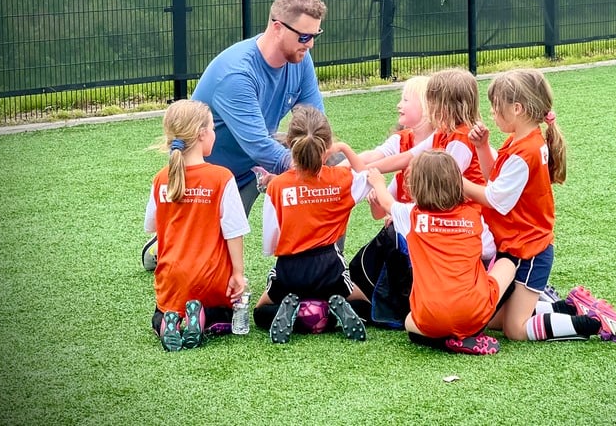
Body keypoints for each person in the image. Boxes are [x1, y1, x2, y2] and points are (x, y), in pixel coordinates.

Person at [142, 0, 327, 270]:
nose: (310, 44)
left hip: (252, 164)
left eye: (315, 36)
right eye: (304, 36)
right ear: (277, 27)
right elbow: (258, 147)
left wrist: (321, 160)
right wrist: (307, 168)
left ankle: (328, 270)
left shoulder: (301, 60)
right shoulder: (238, 73)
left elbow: (315, 122)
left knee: (332, 162)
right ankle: (164, 243)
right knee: (204, 268)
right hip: (209, 177)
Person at [462, 69, 616, 342]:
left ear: (517, 109)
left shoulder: (526, 151)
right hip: (518, 245)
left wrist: (455, 181)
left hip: (529, 250)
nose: (492, 113)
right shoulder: (523, 140)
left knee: (515, 330)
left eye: (496, 107)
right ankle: (570, 306)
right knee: (493, 320)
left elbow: (495, 199)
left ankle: (594, 322)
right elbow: (495, 180)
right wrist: (482, 147)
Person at [366, 151, 517, 355]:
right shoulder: (472, 216)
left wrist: (378, 182)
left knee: (410, 322)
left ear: (416, 186)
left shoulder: (411, 215)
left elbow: (386, 202)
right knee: (507, 261)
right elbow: (488, 251)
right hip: (473, 313)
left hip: (430, 317)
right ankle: (471, 330)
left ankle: (447, 341)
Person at [252, 105, 375, 344]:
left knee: (260, 313)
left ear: (289, 143)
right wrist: (345, 149)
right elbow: (369, 178)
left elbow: (269, 243)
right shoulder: (341, 179)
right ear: (326, 148)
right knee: (367, 307)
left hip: (290, 269)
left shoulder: (277, 186)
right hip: (329, 267)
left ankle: (298, 315)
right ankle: (328, 312)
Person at [143, 100, 250, 352]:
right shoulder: (221, 177)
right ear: (202, 134)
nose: (214, 133)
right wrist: (237, 275)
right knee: (224, 314)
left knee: (159, 314)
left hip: (172, 282)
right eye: (213, 128)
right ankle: (201, 317)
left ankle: (169, 322)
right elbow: (233, 233)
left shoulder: (161, 178)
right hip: (209, 279)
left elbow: (151, 226)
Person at [347, 76, 432, 326]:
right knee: (388, 238)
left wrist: (379, 190)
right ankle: (367, 301)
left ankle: (388, 307)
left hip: (427, 235)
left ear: (426, 106)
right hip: (406, 235)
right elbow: (378, 211)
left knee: (393, 236)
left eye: (406, 99)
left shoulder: (437, 143)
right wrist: (377, 197)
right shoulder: (401, 139)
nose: (399, 105)